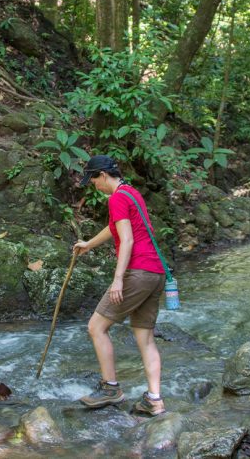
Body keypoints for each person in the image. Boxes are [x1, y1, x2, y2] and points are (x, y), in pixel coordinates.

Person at [74, 154, 166, 415]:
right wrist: (88, 245)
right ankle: (154, 400)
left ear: (102, 175)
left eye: (93, 180)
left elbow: (126, 240)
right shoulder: (131, 193)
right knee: (145, 337)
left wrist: (117, 280)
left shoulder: (116, 198)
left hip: (136, 272)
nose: (93, 186)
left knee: (96, 327)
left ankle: (111, 389)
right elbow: (116, 227)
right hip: (156, 273)